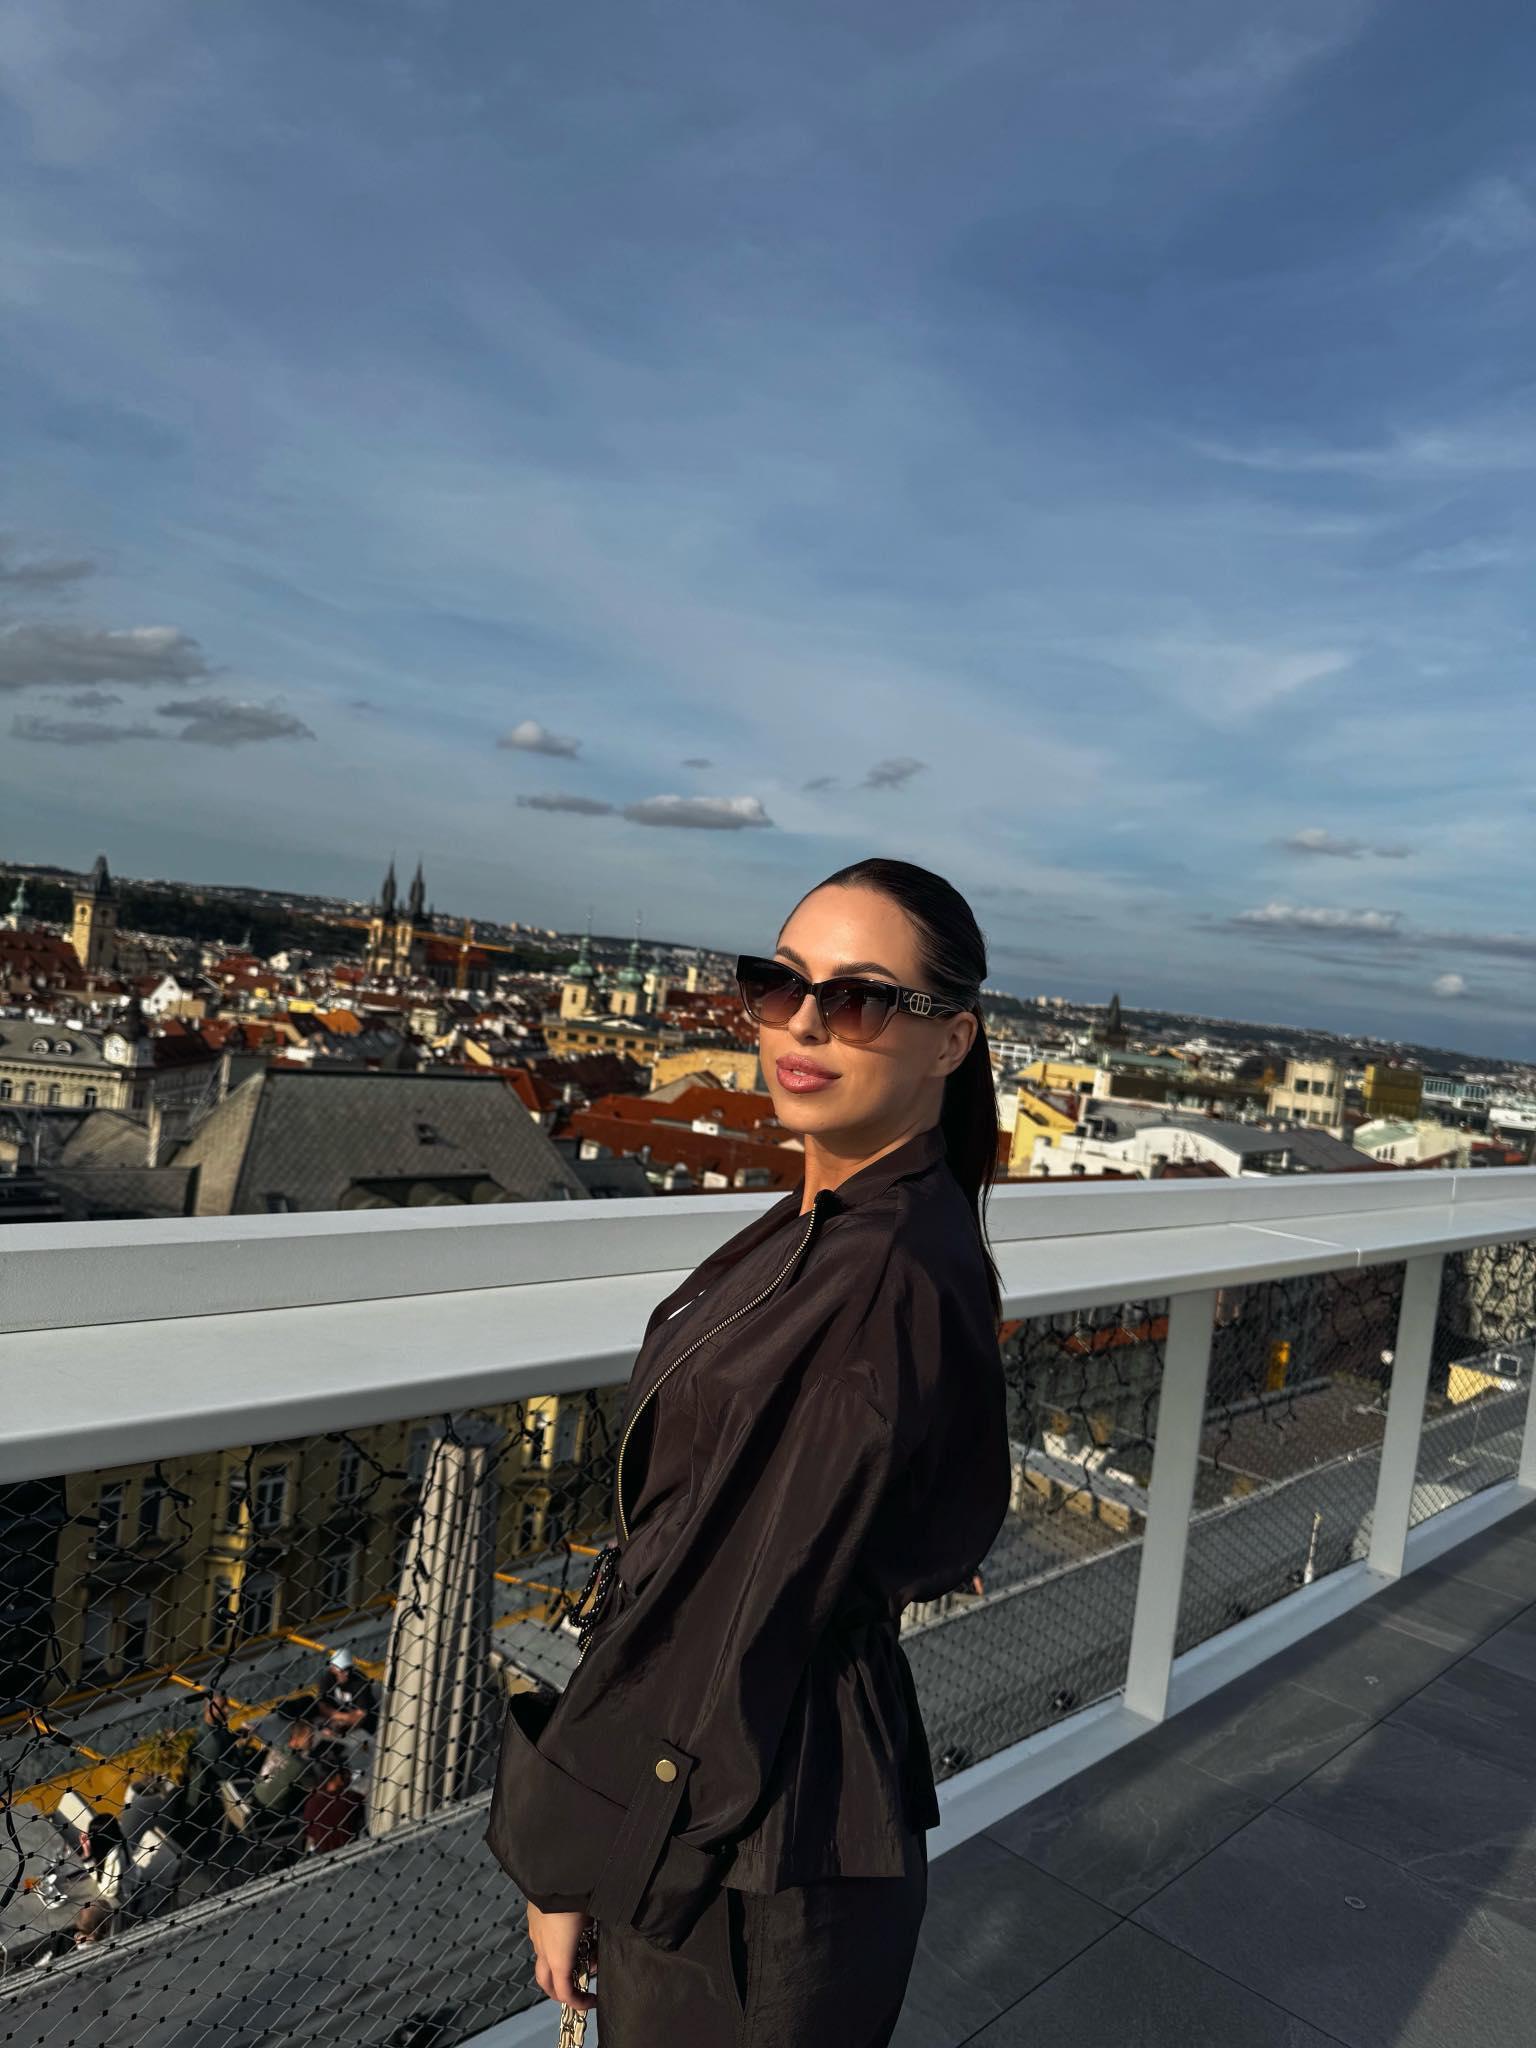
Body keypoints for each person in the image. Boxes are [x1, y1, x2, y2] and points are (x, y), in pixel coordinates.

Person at [486, 859, 1013, 2046]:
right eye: (781, 984)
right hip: (777, 1795)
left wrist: (574, 1858)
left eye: (859, 996)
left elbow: (725, 1614)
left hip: (749, 1833)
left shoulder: (870, 1278)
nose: (806, 1022)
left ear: (950, 1039)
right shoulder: (864, 1224)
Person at [302, 1762, 365, 1853]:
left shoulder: (311, 1804)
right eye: (347, 1774)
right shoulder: (351, 1797)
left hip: (325, 1855)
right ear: (338, 1777)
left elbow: (309, 1836)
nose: (350, 1778)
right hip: (352, 1850)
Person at [314, 1647, 378, 1736]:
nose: (346, 1673)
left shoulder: (360, 1681)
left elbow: (361, 1717)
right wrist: (345, 1717)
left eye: (348, 1669)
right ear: (332, 1669)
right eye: (341, 1670)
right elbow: (321, 1707)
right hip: (339, 1719)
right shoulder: (327, 1678)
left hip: (363, 1727)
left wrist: (336, 1718)